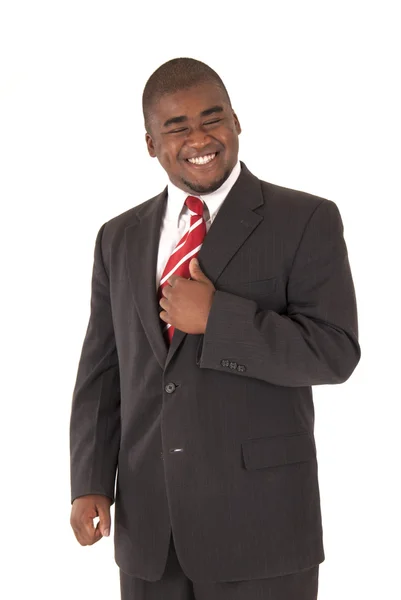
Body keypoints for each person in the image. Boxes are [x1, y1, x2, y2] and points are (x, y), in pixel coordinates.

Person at [69, 57, 361, 600]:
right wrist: (89, 480)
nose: (199, 138)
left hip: (262, 525)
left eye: (213, 118)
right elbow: (102, 369)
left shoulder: (305, 220)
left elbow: (335, 352)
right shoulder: (119, 237)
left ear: (236, 121)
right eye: (176, 127)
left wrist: (218, 318)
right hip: (149, 528)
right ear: (151, 144)